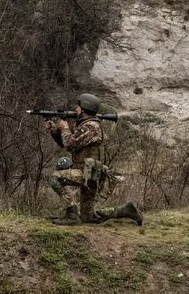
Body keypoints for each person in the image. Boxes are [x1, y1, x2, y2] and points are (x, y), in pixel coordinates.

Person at [45, 94, 143, 225]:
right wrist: (54, 131)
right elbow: (66, 144)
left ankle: (72, 215)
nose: (76, 109)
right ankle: (126, 211)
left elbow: (70, 144)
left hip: (86, 173)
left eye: (78, 106)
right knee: (88, 218)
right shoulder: (87, 125)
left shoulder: (91, 126)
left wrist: (65, 128)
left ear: (85, 108)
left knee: (54, 178)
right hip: (88, 174)